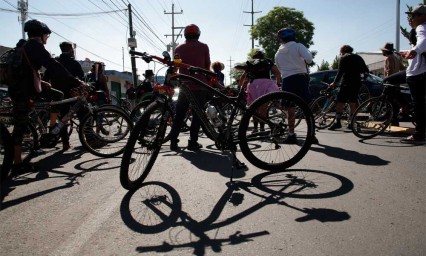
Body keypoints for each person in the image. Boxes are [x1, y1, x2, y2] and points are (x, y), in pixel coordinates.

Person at [10, 19, 84, 173]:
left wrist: (43, 82)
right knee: (20, 126)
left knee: (57, 95)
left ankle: (50, 125)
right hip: (23, 91)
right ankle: (17, 164)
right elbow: (53, 65)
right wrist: (76, 80)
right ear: (42, 34)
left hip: (21, 87)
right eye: (47, 36)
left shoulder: (23, 45)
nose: (46, 40)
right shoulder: (35, 47)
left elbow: (27, 70)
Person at [169, 24, 211, 151]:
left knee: (179, 114)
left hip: (184, 87)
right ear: (198, 34)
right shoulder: (204, 47)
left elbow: (175, 67)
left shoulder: (179, 48)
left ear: (185, 35)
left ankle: (173, 142)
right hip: (200, 86)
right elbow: (206, 66)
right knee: (197, 115)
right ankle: (192, 142)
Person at [274, 28, 318, 144]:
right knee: (306, 107)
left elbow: (279, 67)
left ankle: (291, 134)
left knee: (290, 109)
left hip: (287, 80)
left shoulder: (278, 53)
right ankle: (311, 134)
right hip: (300, 78)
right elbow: (309, 60)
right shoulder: (298, 46)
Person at [43, 41, 85, 150]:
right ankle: (88, 139)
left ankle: (65, 144)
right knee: (83, 114)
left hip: (58, 95)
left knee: (63, 120)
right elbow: (81, 78)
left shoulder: (55, 62)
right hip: (73, 94)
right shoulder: (74, 63)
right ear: (70, 49)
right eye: (72, 49)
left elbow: (45, 78)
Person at [399, 5, 426, 144]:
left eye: (414, 15)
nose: (411, 18)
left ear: (422, 16)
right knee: (420, 103)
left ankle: (420, 134)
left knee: (419, 103)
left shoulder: (422, 27)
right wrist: (410, 52)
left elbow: (423, 41)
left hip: (418, 72)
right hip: (416, 71)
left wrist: (414, 51)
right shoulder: (418, 29)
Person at [328, 45, 369, 130]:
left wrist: (334, 82)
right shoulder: (358, 57)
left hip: (346, 82)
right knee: (352, 102)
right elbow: (366, 71)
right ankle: (351, 122)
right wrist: (361, 80)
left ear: (343, 51)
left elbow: (340, 72)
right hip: (356, 83)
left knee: (340, 102)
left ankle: (338, 122)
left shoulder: (344, 58)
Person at [238, 50, 281, 132]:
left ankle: (255, 128)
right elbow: (277, 73)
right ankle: (262, 128)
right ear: (262, 56)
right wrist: (277, 84)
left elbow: (243, 77)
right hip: (266, 84)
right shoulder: (268, 61)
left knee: (254, 108)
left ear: (254, 57)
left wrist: (239, 87)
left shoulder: (252, 63)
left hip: (253, 85)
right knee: (263, 108)